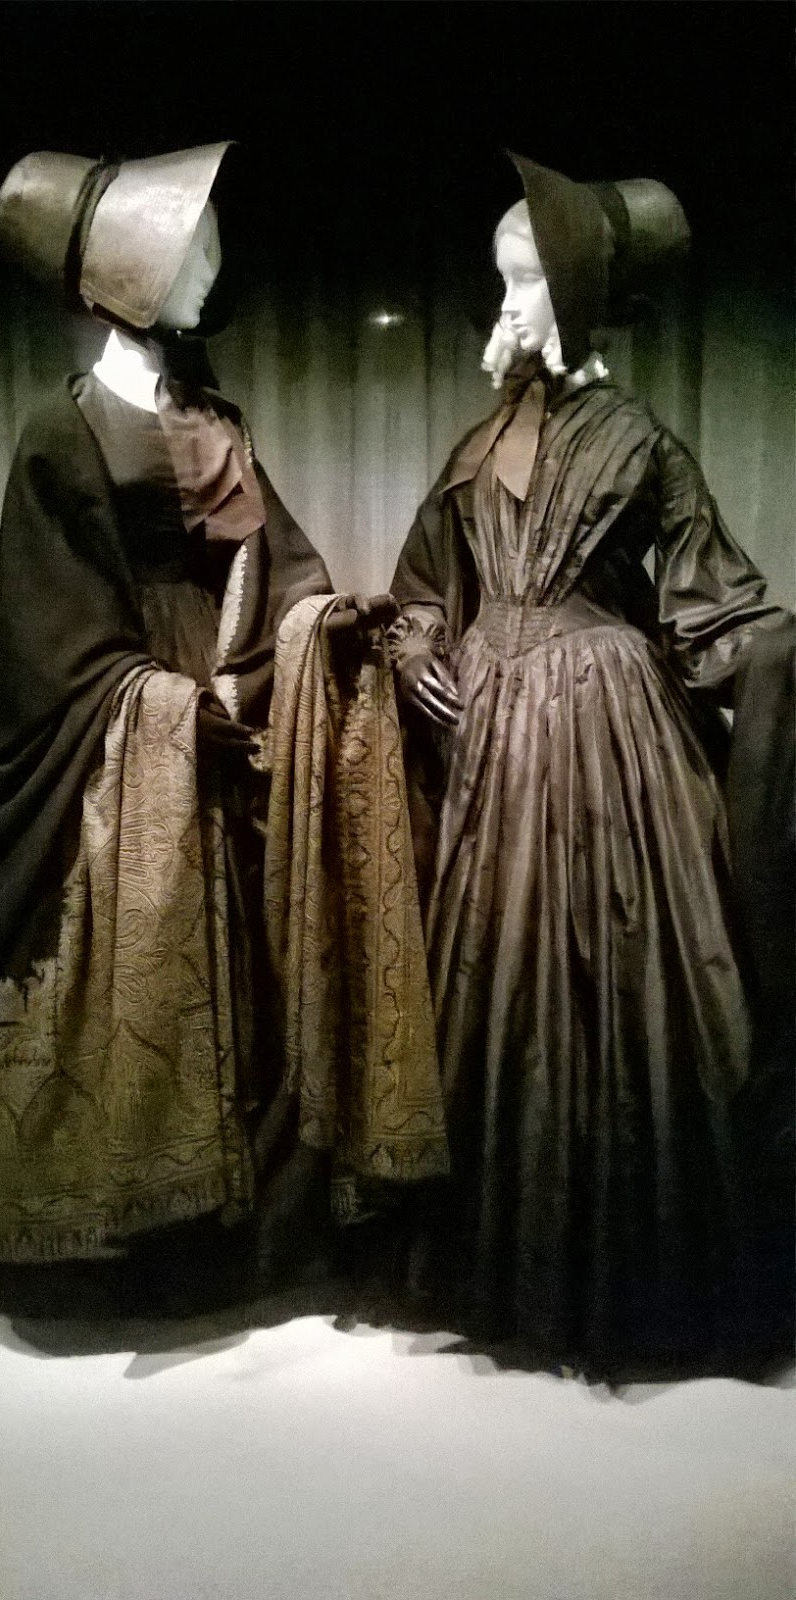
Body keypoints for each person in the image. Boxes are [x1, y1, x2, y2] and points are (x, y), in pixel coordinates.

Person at [0, 143, 434, 1314]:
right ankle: (135, 1231)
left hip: (230, 703)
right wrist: (163, 706)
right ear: (126, 270)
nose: (210, 268)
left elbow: (279, 566)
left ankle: (250, 1216)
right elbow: (51, 629)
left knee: (263, 935)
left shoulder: (213, 418)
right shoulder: (60, 430)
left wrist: (322, 627)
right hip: (116, 718)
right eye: (191, 249)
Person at [388, 153, 790, 1375]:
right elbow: (424, 581)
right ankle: (490, 1257)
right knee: (489, 969)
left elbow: (715, 610)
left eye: (523, 284)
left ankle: (631, 1270)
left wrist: (769, 653)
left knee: (616, 970)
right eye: (502, 283)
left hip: (610, 739)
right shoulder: (477, 443)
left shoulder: (643, 444)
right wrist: (418, 641)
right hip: (489, 738)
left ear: (571, 300)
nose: (504, 307)